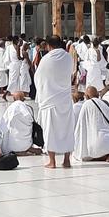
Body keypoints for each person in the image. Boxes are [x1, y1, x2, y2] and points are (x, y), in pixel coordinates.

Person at [35, 37, 76, 169]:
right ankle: (66, 160)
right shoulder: (68, 57)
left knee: (50, 130)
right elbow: (70, 73)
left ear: (48, 45)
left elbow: (38, 77)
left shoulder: (46, 59)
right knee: (67, 129)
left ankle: (52, 161)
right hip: (64, 98)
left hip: (50, 99)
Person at [73, 87, 109, 162]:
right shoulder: (105, 103)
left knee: (87, 154)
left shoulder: (86, 104)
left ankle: (101, 156)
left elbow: (81, 125)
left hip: (95, 145)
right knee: (106, 144)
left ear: (87, 96)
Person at [1, 91, 38, 155]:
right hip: (26, 144)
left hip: (11, 145)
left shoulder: (10, 108)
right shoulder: (28, 108)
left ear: (14, 99)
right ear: (23, 99)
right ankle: (26, 149)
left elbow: (3, 124)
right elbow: (31, 121)